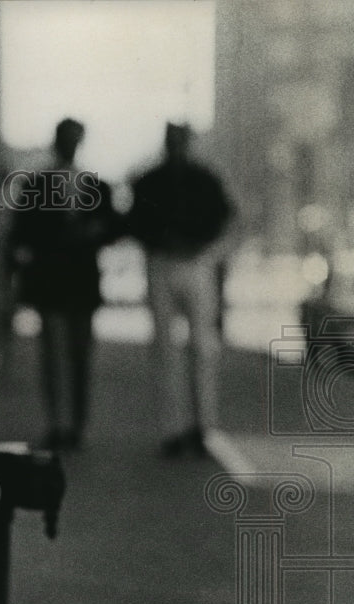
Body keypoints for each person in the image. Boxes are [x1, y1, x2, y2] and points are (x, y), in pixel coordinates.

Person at [8, 118, 124, 451]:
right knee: (55, 356)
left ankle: (76, 424)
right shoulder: (36, 184)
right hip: (51, 281)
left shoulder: (96, 186)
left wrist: (94, 231)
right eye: (66, 138)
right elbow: (22, 231)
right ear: (57, 142)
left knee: (80, 356)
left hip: (81, 283)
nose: (70, 145)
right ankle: (59, 424)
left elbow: (114, 226)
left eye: (75, 139)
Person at [128, 122, 233, 458]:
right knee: (165, 348)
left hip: (195, 263)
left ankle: (202, 426)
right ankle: (172, 429)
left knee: (202, 347)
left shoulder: (205, 180)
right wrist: (164, 242)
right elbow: (137, 224)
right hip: (162, 262)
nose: (176, 147)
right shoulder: (150, 181)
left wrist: (198, 245)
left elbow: (224, 219)